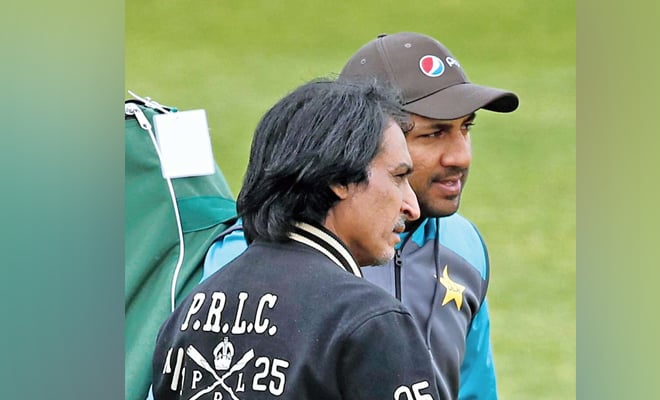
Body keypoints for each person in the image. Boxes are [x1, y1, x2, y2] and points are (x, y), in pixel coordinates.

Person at [203, 32, 520, 400]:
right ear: (358, 144)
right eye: (434, 134)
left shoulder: (463, 245)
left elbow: (474, 390)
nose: (460, 156)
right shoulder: (251, 256)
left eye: (466, 127)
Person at [151, 78, 439, 400]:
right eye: (398, 177)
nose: (411, 207)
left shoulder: (193, 310)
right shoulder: (368, 319)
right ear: (340, 178)